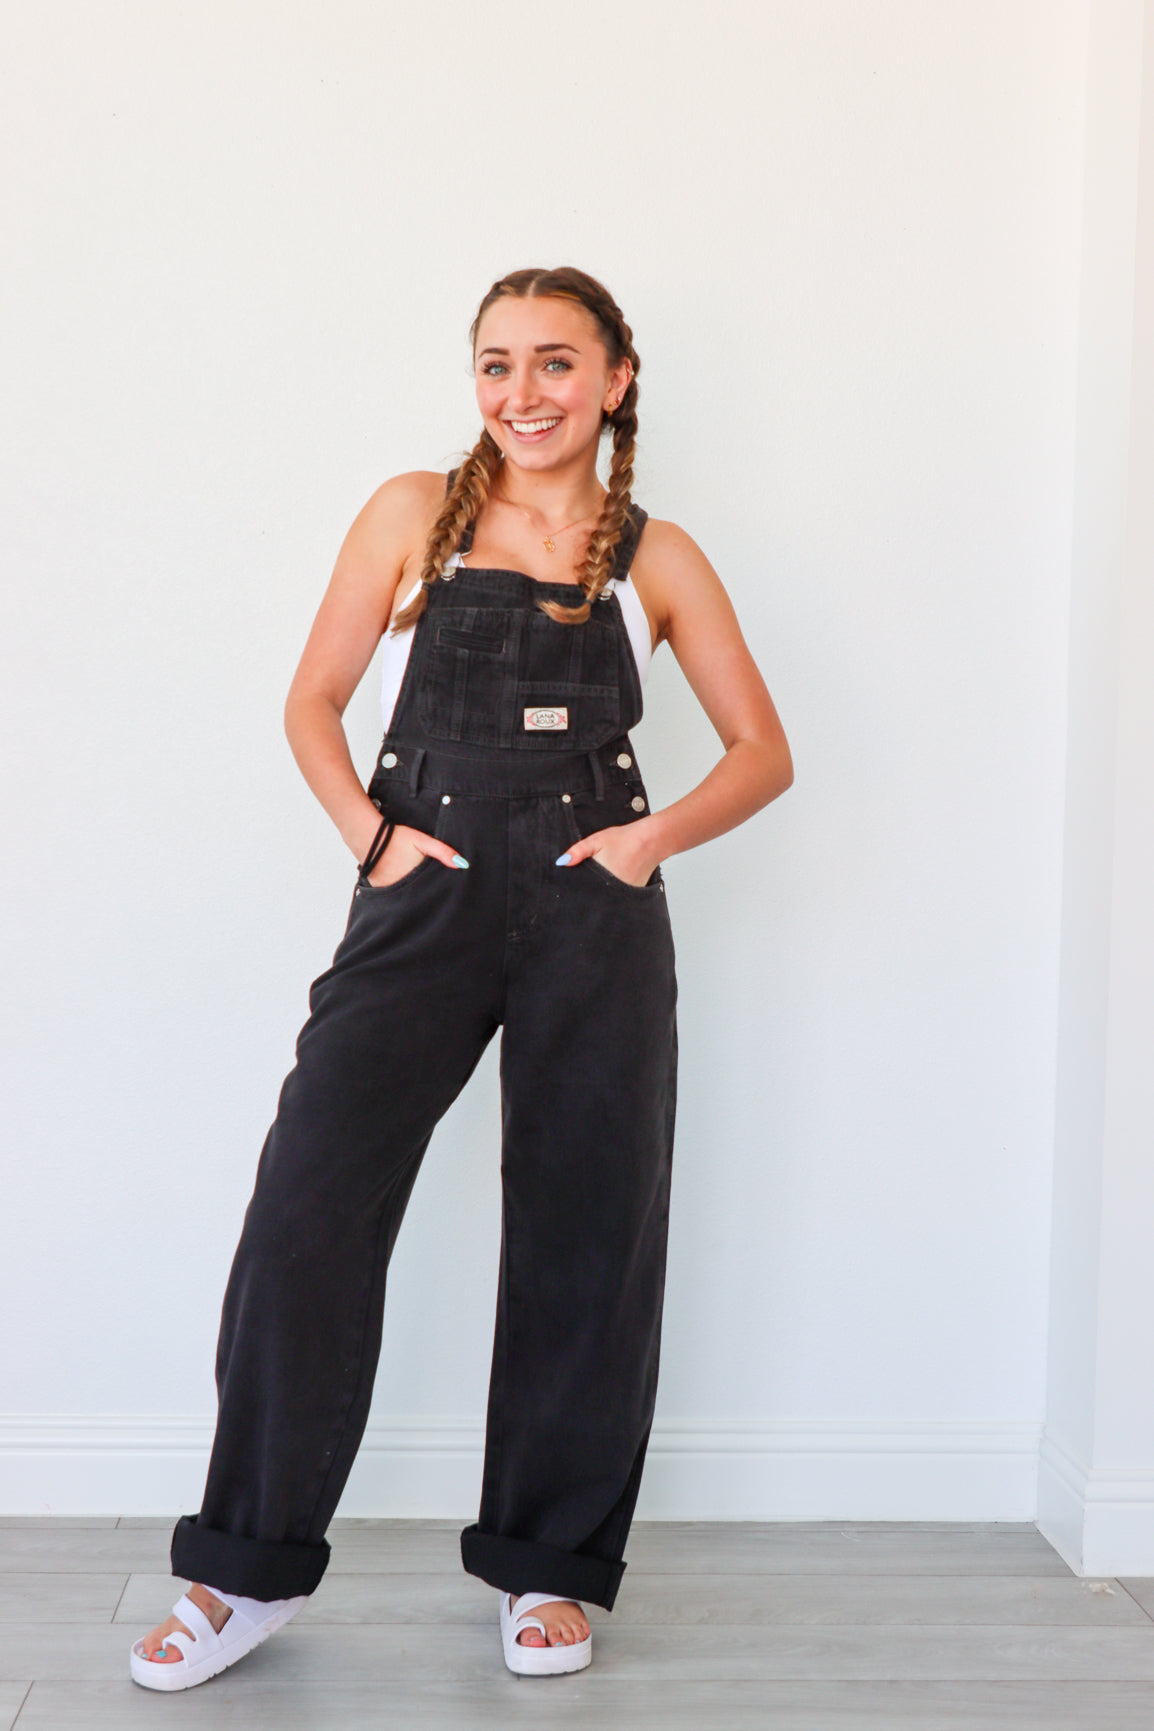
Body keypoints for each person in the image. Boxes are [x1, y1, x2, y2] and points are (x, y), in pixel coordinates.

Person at [130, 264, 793, 1692]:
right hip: (420, 896)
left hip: (592, 910)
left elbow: (762, 752)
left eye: (555, 362)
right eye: (497, 363)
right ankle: (240, 1570)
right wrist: (371, 839)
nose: (522, 393)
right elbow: (311, 700)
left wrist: (643, 844)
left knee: (586, 1232)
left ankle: (549, 1569)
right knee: (308, 1206)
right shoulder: (409, 513)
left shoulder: (657, 556)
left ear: (615, 379)